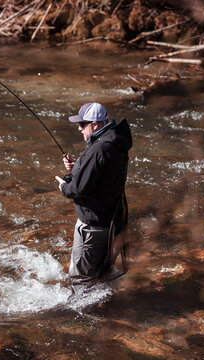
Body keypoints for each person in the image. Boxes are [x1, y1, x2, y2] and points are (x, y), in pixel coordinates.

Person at [55, 102, 132, 291]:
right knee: (99, 272)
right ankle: (106, 308)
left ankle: (81, 316)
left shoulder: (98, 149)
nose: (79, 129)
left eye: (83, 124)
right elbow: (103, 174)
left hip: (93, 225)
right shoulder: (115, 142)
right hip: (110, 220)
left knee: (81, 279)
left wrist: (64, 186)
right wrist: (79, 167)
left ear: (95, 124)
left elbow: (77, 189)